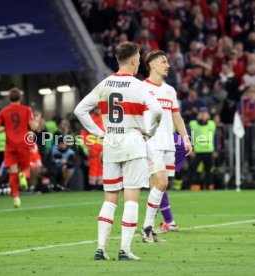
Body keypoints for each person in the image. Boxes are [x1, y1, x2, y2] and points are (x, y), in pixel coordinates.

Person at [74, 41, 162, 261]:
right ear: (133, 60)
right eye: (139, 59)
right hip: (133, 142)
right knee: (131, 198)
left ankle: (101, 249)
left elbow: (79, 110)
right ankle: (124, 249)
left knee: (109, 199)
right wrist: (149, 131)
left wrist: (100, 133)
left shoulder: (104, 84)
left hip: (111, 144)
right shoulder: (139, 85)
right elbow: (157, 110)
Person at [141, 50, 192, 242]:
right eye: (163, 61)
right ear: (152, 64)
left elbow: (176, 116)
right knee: (161, 183)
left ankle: (149, 229)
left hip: (168, 143)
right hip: (151, 142)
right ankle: (147, 227)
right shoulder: (141, 88)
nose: (167, 65)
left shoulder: (170, 90)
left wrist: (185, 138)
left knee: (157, 186)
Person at [0, 87, 39, 207]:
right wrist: (38, 120)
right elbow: (34, 127)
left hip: (10, 146)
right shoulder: (26, 109)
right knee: (26, 168)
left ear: (9, 98)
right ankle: (23, 175)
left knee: (12, 173)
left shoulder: (3, 111)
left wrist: (6, 128)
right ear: (20, 98)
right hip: (23, 144)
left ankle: (16, 198)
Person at [189, 106, 218, 190]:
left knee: (209, 170)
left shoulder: (212, 124)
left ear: (207, 114)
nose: (203, 114)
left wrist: (216, 150)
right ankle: (195, 186)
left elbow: (215, 138)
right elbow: (189, 137)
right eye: (201, 113)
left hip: (209, 150)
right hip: (197, 151)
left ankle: (209, 186)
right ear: (199, 114)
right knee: (195, 169)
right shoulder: (193, 124)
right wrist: (191, 149)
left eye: (204, 113)